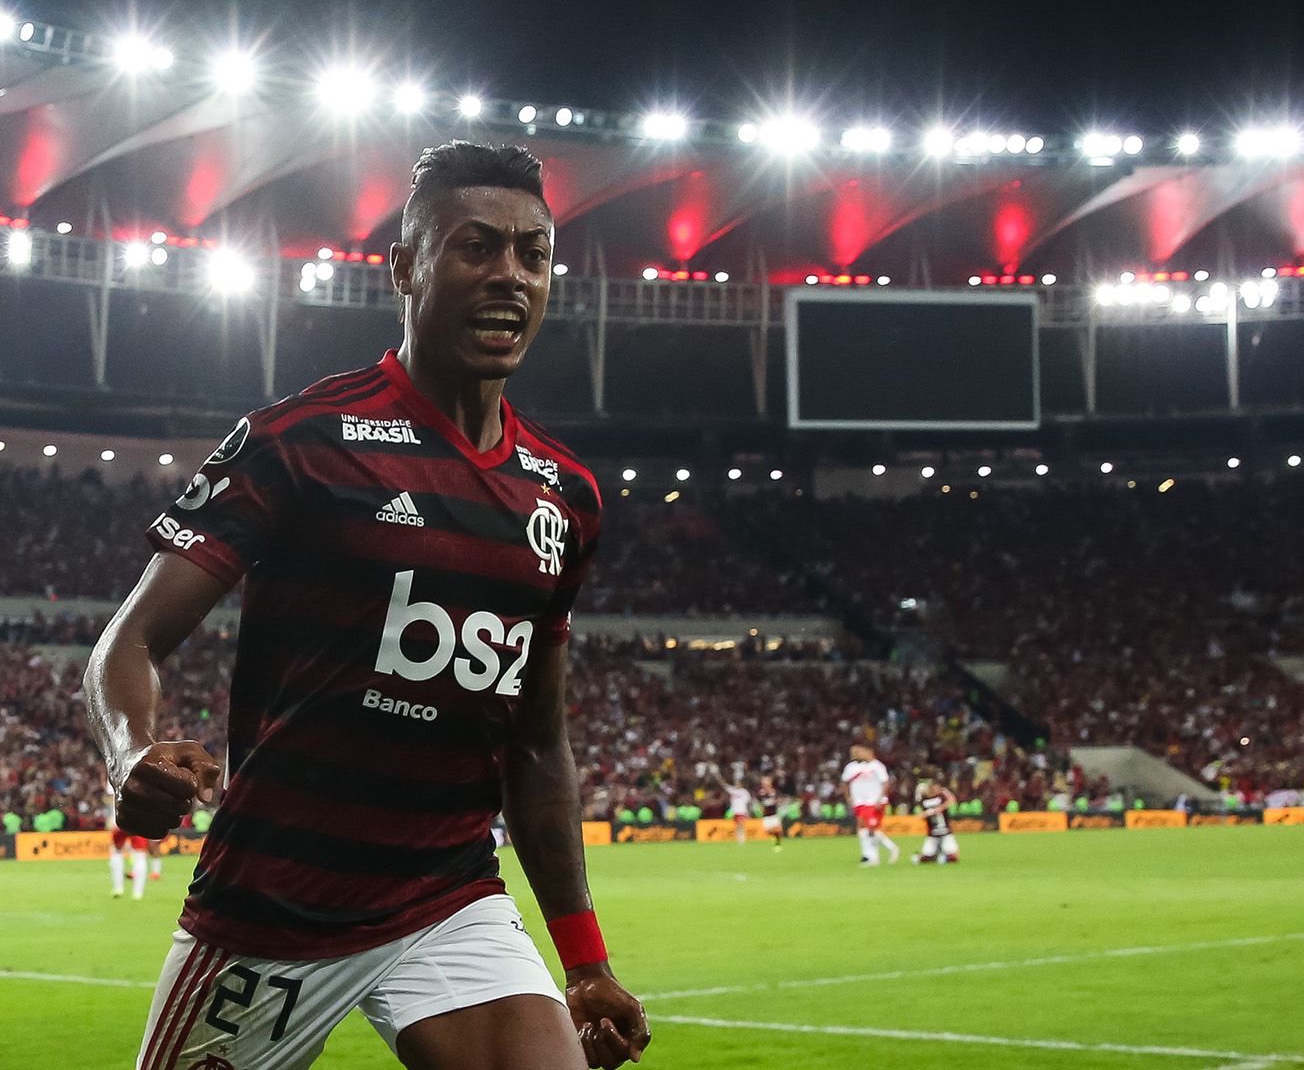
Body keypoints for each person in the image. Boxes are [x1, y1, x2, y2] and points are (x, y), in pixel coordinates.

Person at [86, 141, 649, 1070]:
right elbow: (133, 638)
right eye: (475, 247)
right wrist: (131, 751)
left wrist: (583, 961)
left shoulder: (566, 495)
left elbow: (537, 744)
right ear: (405, 267)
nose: (509, 275)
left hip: (449, 894)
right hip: (278, 903)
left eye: (532, 254)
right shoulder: (299, 441)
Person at [840, 743, 899, 866]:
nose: (857, 754)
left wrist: (880, 798)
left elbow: (885, 782)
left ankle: (887, 850)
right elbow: (844, 782)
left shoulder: (877, 766)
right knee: (863, 828)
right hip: (859, 801)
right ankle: (868, 855)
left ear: (869, 752)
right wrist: (848, 797)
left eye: (859, 751)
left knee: (871, 829)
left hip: (873, 801)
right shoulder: (851, 767)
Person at [107, 782, 151, 899]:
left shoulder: (116, 767)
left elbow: (113, 797)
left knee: (116, 851)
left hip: (120, 816)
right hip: (139, 817)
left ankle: (118, 888)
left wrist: (113, 818)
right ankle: (137, 893)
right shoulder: (145, 770)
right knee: (140, 855)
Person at [912, 776, 960, 864]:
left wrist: (938, 809)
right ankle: (936, 855)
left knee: (953, 857)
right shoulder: (924, 802)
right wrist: (930, 812)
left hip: (945, 831)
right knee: (925, 858)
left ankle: (940, 855)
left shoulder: (940, 797)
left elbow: (951, 800)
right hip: (932, 833)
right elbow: (920, 815)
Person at [757, 775, 787, 851]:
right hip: (766, 815)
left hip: (774, 814)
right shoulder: (761, 793)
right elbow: (759, 802)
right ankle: (775, 837)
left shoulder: (774, 792)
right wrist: (761, 808)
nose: (764, 784)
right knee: (768, 831)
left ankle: (778, 844)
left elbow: (780, 799)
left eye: (766, 782)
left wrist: (776, 802)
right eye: (763, 783)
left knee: (778, 830)